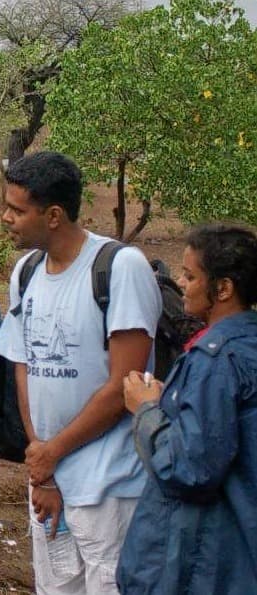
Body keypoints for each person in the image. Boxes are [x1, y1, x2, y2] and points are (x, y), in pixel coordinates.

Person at [0, 151, 162, 595]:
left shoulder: (119, 268)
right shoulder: (25, 273)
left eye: (16, 209)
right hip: (48, 481)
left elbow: (126, 384)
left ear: (52, 215)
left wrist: (53, 453)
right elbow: (23, 368)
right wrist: (42, 466)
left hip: (108, 488)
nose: (5, 217)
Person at [117, 224, 257, 595]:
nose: (179, 282)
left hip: (203, 564)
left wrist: (146, 410)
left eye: (191, 275)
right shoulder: (246, 348)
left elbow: (190, 469)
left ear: (223, 288)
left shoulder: (215, 361)